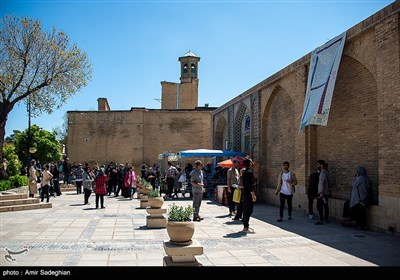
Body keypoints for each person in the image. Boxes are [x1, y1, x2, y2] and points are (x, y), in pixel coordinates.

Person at [240, 158, 257, 233]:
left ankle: (246, 226)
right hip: (248, 193)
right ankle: (245, 227)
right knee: (249, 210)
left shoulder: (244, 172)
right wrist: (253, 195)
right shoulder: (249, 172)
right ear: (249, 164)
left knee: (247, 210)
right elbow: (250, 185)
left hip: (245, 193)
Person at [315, 160, 330, 225]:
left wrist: (322, 192)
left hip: (322, 193)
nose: (317, 166)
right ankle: (326, 219)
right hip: (325, 192)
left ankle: (321, 220)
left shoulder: (323, 173)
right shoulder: (326, 172)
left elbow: (323, 182)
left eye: (318, 164)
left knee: (319, 206)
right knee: (325, 205)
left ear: (321, 165)